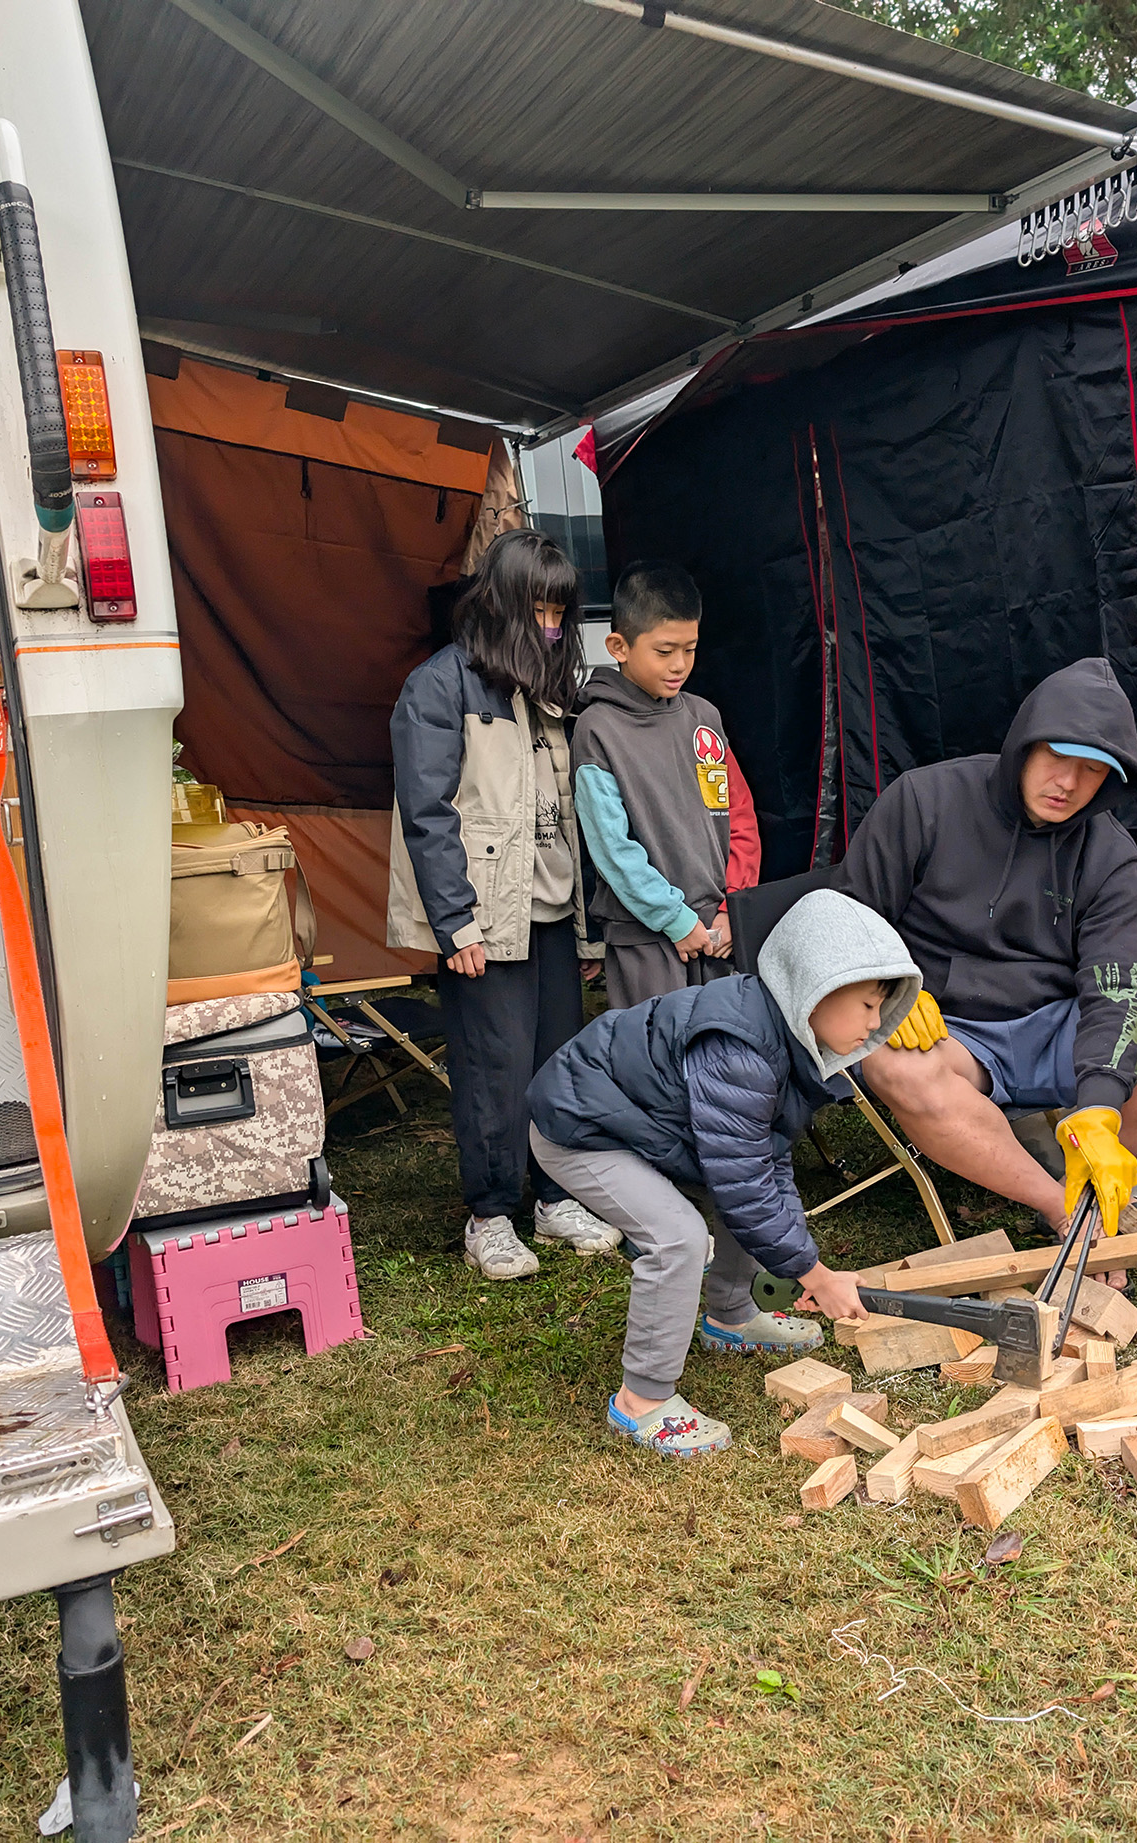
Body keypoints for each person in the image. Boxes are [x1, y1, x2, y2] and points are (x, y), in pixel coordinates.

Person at [846, 658, 1137, 1250]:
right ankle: (1060, 1207)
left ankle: (1084, 1170)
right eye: (1057, 758)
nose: (1068, 783)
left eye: (1092, 771)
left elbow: (1120, 983)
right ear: (1024, 745)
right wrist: (885, 990)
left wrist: (1102, 1107)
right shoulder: (925, 800)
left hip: (1058, 1019)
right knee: (890, 1059)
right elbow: (849, 918)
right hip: (947, 1029)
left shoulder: (1106, 850)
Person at [527, 890, 914, 1456]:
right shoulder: (740, 1048)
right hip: (580, 1129)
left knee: (752, 1203)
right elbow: (746, 1184)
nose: (878, 1024)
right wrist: (817, 1277)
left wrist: (805, 1263)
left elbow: (764, 1164)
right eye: (867, 1005)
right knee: (678, 1237)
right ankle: (641, 1401)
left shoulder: (786, 1038)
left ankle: (731, 1316)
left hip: (636, 1124)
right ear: (816, 985)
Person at [387, 529, 622, 1280]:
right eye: (539, 612)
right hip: (484, 920)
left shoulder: (552, 692)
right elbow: (428, 813)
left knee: (561, 1064)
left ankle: (556, 1198)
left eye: (561, 614)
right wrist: (455, 922)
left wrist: (588, 929)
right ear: (499, 606)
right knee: (495, 1070)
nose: (552, 628)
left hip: (555, 916)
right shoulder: (439, 686)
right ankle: (489, 1215)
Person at [571, 560, 759, 1012]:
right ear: (617, 645)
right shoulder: (597, 730)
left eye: (690, 649)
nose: (680, 665)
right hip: (646, 939)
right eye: (664, 650)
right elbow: (612, 849)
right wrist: (674, 919)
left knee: (726, 1058)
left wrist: (735, 906)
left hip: (719, 932)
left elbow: (738, 816)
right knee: (657, 1064)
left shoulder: (704, 719)